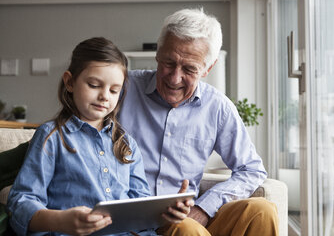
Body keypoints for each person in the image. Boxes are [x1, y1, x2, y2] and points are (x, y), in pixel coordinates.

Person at [6, 37, 193, 236]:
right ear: (70, 82)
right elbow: (21, 202)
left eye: (114, 90)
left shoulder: (127, 143)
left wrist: (167, 211)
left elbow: (140, 206)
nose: (105, 96)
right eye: (94, 85)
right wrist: (60, 221)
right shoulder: (51, 136)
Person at [119, 8, 279, 235]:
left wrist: (204, 208)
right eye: (168, 63)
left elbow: (251, 169)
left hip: (188, 217)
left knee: (262, 211)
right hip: (135, 221)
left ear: (208, 68)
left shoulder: (217, 107)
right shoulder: (121, 90)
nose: (175, 78)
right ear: (158, 52)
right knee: (185, 229)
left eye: (189, 69)